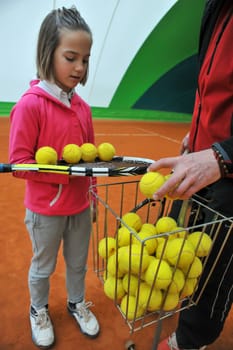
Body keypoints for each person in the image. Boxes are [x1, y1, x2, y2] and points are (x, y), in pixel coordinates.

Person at [9, 6, 99, 349]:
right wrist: (62, 173)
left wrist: (90, 196)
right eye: (71, 57)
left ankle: (77, 303)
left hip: (79, 208)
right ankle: (38, 310)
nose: (79, 68)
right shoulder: (30, 105)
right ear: (49, 53)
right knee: (42, 268)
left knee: (78, 265)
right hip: (45, 211)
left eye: (85, 60)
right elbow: (19, 162)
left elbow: (90, 161)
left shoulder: (84, 110)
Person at [148, 0, 233, 349]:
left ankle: (190, 340)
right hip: (201, 156)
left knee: (216, 269)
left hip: (225, 173)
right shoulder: (215, 7)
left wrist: (223, 155)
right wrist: (197, 134)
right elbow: (211, 88)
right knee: (182, 245)